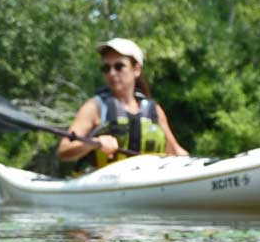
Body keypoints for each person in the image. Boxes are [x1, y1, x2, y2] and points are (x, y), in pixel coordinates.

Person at [57, 38, 188, 167]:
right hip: (104, 184)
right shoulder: (94, 107)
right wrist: (94, 142)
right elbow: (64, 150)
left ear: (136, 69)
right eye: (106, 68)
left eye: (119, 66)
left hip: (148, 181)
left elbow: (175, 151)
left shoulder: (154, 111)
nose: (112, 73)